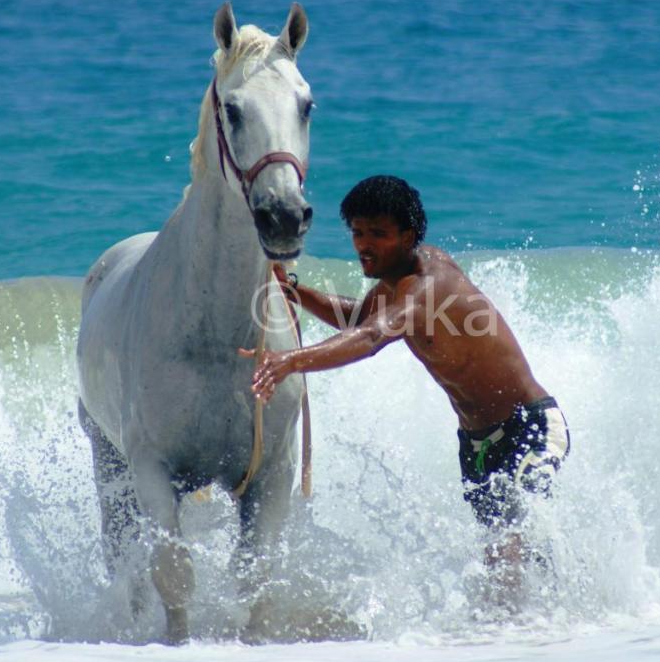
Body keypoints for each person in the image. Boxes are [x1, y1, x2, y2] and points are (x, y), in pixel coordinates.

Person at [242, 175, 569, 606]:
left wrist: (290, 361)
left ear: (408, 236)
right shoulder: (397, 286)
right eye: (358, 232)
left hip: (529, 426)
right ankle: (531, 634)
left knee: (514, 541)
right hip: (476, 444)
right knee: (498, 554)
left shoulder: (427, 285)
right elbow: (358, 318)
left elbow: (373, 337)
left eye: (379, 234)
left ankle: (548, 624)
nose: (364, 244)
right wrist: (296, 292)